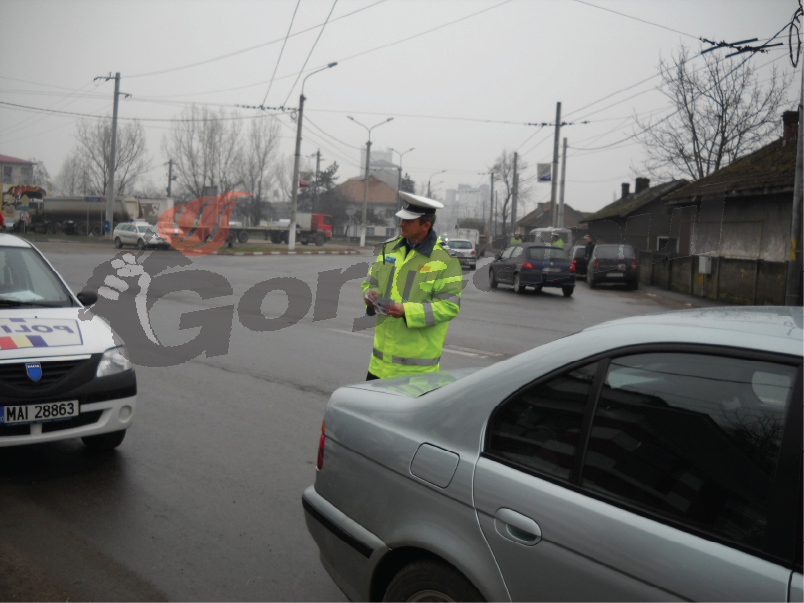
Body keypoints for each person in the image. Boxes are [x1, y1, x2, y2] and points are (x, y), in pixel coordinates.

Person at [362, 191, 463, 381]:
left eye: (408, 221)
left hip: (416, 373)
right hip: (378, 366)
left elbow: (449, 306)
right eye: (402, 219)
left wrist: (407, 311)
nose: (401, 224)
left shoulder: (445, 259)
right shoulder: (389, 248)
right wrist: (369, 294)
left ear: (426, 225)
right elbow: (371, 281)